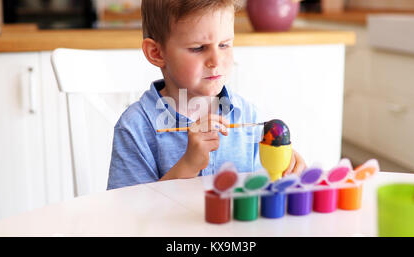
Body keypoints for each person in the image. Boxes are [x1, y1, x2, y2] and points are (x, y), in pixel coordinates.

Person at [107, 0, 306, 190]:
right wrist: (187, 165)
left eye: (224, 45)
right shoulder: (135, 128)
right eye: (198, 48)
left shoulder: (247, 115)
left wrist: (282, 171)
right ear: (157, 53)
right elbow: (129, 214)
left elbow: (260, 191)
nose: (215, 60)